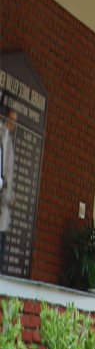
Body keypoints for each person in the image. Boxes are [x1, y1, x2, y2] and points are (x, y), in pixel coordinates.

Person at [0, 109, 17, 270]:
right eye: (12, 119)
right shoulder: (2, 138)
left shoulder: (8, 141)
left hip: (3, 216)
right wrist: (7, 198)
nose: (14, 124)